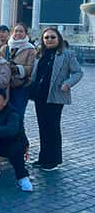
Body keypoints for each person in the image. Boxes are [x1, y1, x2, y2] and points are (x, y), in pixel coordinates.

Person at [30, 27, 83, 171]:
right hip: (40, 96)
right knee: (43, 127)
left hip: (56, 95)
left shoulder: (67, 54)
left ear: (58, 38)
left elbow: (78, 72)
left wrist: (68, 83)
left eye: (52, 37)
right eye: (46, 37)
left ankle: (53, 160)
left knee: (52, 128)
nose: (49, 40)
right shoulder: (40, 54)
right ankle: (43, 157)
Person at [1, 23, 36, 119]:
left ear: (26, 33)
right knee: (5, 113)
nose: (18, 33)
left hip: (21, 86)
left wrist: (17, 68)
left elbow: (31, 68)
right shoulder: (6, 48)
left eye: (21, 31)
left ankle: (19, 133)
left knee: (18, 114)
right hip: (6, 85)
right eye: (16, 31)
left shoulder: (30, 49)